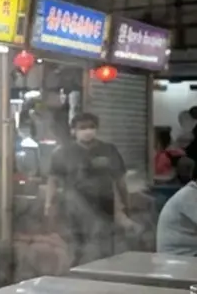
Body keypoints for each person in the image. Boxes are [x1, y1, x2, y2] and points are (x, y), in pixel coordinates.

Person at [44, 112, 135, 264]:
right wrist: (49, 205)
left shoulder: (109, 150)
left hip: (104, 207)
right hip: (73, 210)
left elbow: (120, 181)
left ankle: (103, 279)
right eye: (82, 127)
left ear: (97, 129)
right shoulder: (62, 153)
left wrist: (126, 205)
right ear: (73, 131)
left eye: (91, 127)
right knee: (76, 249)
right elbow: (53, 181)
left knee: (105, 251)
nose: (88, 131)